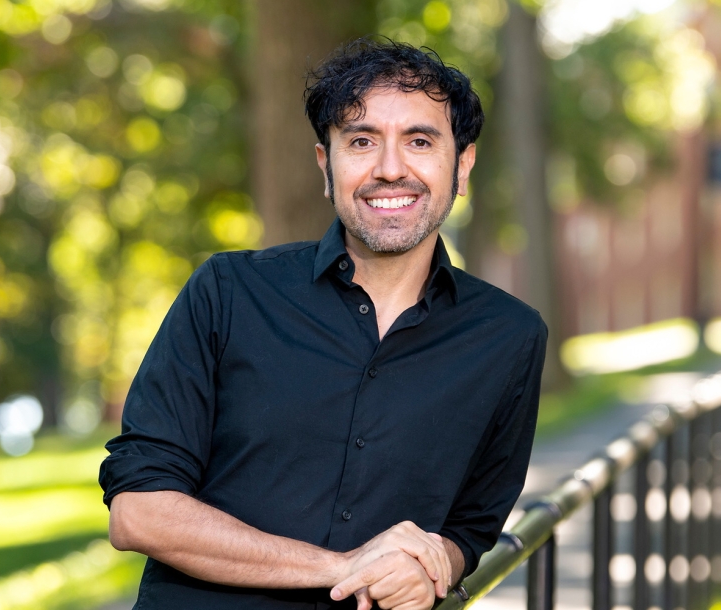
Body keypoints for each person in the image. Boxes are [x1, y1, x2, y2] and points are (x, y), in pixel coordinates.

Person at [99, 38, 547, 610]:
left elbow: (470, 529)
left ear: (462, 165)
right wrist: (341, 567)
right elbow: (138, 513)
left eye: (420, 141)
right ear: (325, 166)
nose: (390, 169)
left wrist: (433, 567)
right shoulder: (228, 292)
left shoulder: (510, 337)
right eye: (361, 141)